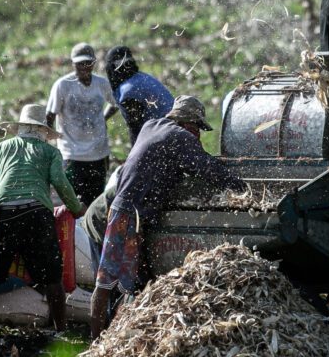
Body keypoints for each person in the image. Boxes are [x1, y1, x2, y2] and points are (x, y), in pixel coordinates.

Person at [90, 95, 246, 338]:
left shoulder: (151, 126)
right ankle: (98, 339)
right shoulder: (181, 138)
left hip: (126, 209)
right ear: (189, 124)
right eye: (198, 129)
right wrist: (242, 189)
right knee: (109, 282)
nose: (199, 136)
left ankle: (109, 336)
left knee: (125, 282)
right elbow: (209, 169)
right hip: (130, 214)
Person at [0, 104, 86, 337]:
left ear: (21, 128)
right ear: (44, 131)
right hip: (37, 216)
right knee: (52, 275)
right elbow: (60, 182)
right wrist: (75, 209)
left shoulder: (1, 148)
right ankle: (60, 331)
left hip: (4, 216)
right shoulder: (51, 152)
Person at [46, 42, 118, 207]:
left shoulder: (101, 84)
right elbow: (50, 114)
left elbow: (115, 103)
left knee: (96, 201)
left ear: (93, 63)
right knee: (73, 202)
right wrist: (51, 141)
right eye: (80, 64)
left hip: (98, 153)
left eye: (87, 63)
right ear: (73, 64)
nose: (84, 67)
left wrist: (103, 119)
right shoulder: (63, 85)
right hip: (72, 154)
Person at [104, 45, 175, 144]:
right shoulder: (138, 80)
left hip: (165, 136)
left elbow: (136, 128)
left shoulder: (129, 91)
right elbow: (117, 100)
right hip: (173, 129)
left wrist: (134, 155)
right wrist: (104, 118)